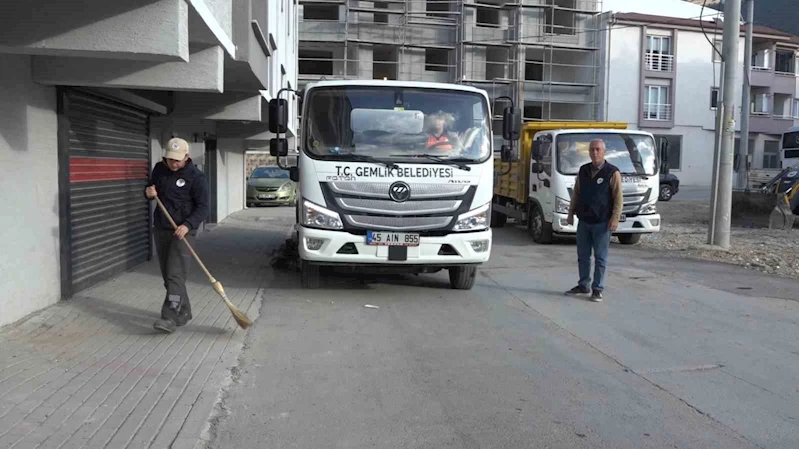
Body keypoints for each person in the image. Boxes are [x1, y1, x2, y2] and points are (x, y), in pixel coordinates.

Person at [144, 137, 210, 333]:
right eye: (170, 159)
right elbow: (150, 189)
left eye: (177, 160)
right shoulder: (159, 169)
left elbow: (204, 208)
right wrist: (148, 192)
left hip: (183, 233)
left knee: (175, 274)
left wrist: (188, 225)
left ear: (187, 157)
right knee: (170, 277)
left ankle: (169, 316)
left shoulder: (196, 177)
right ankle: (185, 311)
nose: (174, 163)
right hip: (162, 228)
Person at [565, 139, 623, 302]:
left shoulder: (612, 172)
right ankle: (583, 285)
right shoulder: (583, 170)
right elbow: (576, 193)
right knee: (583, 256)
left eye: (598, 149)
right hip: (584, 221)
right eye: (592, 150)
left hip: (602, 223)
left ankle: (597, 289)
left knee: (600, 257)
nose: (594, 152)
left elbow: (618, 198)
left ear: (604, 152)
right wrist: (570, 213)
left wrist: (615, 218)